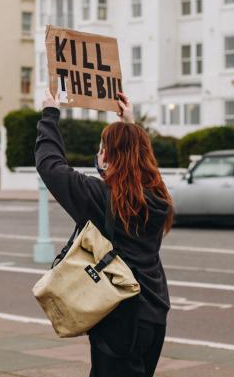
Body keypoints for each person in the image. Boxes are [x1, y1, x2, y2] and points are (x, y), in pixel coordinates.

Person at [35, 90, 173, 377]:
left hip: (119, 313)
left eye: (101, 148)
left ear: (108, 157)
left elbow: (50, 166)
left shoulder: (100, 197)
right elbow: (144, 166)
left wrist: (50, 115)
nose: (98, 154)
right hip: (154, 314)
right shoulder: (159, 198)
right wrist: (130, 125)